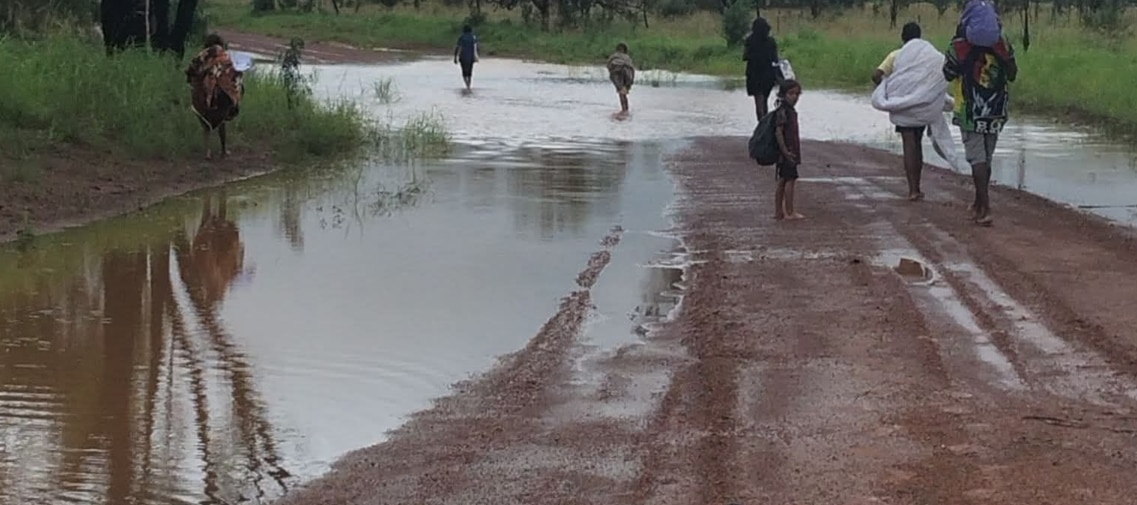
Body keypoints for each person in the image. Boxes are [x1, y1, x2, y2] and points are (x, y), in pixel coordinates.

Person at [943, 6, 1018, 226]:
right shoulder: (1001, 44)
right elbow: (1012, 74)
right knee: (986, 156)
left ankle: (985, 209)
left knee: (977, 158)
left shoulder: (960, 45)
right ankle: (978, 202)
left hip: (969, 109)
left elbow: (947, 73)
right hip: (995, 110)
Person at [875, 22, 931, 201]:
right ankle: (918, 187)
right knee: (918, 142)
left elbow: (876, 75)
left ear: (902, 37)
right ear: (920, 38)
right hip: (921, 104)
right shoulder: (926, 56)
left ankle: (912, 189)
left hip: (903, 106)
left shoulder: (896, 55)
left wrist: (888, 87)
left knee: (909, 144)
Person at [185, 33, 244, 160]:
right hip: (222, 95)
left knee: (206, 124)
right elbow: (236, 75)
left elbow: (191, 72)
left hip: (204, 95)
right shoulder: (225, 56)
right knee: (221, 122)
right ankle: (223, 150)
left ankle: (208, 152)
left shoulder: (202, 56)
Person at [774, 79, 804, 220]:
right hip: (788, 152)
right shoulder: (784, 111)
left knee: (782, 180)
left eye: (797, 94)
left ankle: (779, 212)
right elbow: (778, 132)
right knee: (790, 180)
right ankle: (790, 211)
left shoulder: (786, 110)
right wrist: (786, 152)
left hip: (785, 152)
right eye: (791, 93)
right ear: (783, 94)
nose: (795, 97)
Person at [743, 17, 779, 121]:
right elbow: (775, 59)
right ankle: (765, 123)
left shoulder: (750, 40)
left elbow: (745, 57)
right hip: (768, 74)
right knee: (764, 100)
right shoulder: (771, 42)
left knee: (758, 101)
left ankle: (761, 124)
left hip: (754, 74)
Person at [607, 43, 636, 115]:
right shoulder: (627, 58)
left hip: (617, 73)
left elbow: (609, 65)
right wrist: (630, 82)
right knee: (623, 92)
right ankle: (625, 110)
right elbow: (632, 69)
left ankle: (624, 110)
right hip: (627, 74)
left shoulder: (614, 56)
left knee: (621, 92)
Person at [453, 25, 479, 90]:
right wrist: (476, 56)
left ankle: (467, 85)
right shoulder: (473, 37)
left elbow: (458, 47)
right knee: (470, 71)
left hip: (463, 57)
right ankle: (469, 85)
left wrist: (455, 57)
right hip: (471, 57)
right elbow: (475, 47)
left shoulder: (462, 37)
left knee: (464, 72)